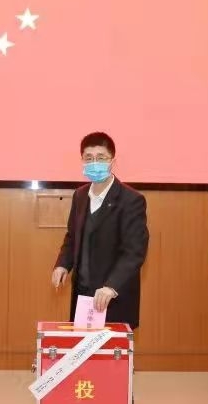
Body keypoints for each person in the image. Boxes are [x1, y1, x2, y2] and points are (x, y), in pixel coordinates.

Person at [52, 132, 149, 329]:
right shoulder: (79, 196)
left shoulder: (131, 200)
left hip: (113, 297)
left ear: (112, 161)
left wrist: (111, 286)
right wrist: (62, 265)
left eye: (101, 157)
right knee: (81, 346)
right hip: (82, 296)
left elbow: (134, 251)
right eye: (89, 158)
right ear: (82, 160)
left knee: (112, 349)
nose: (95, 163)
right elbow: (72, 237)